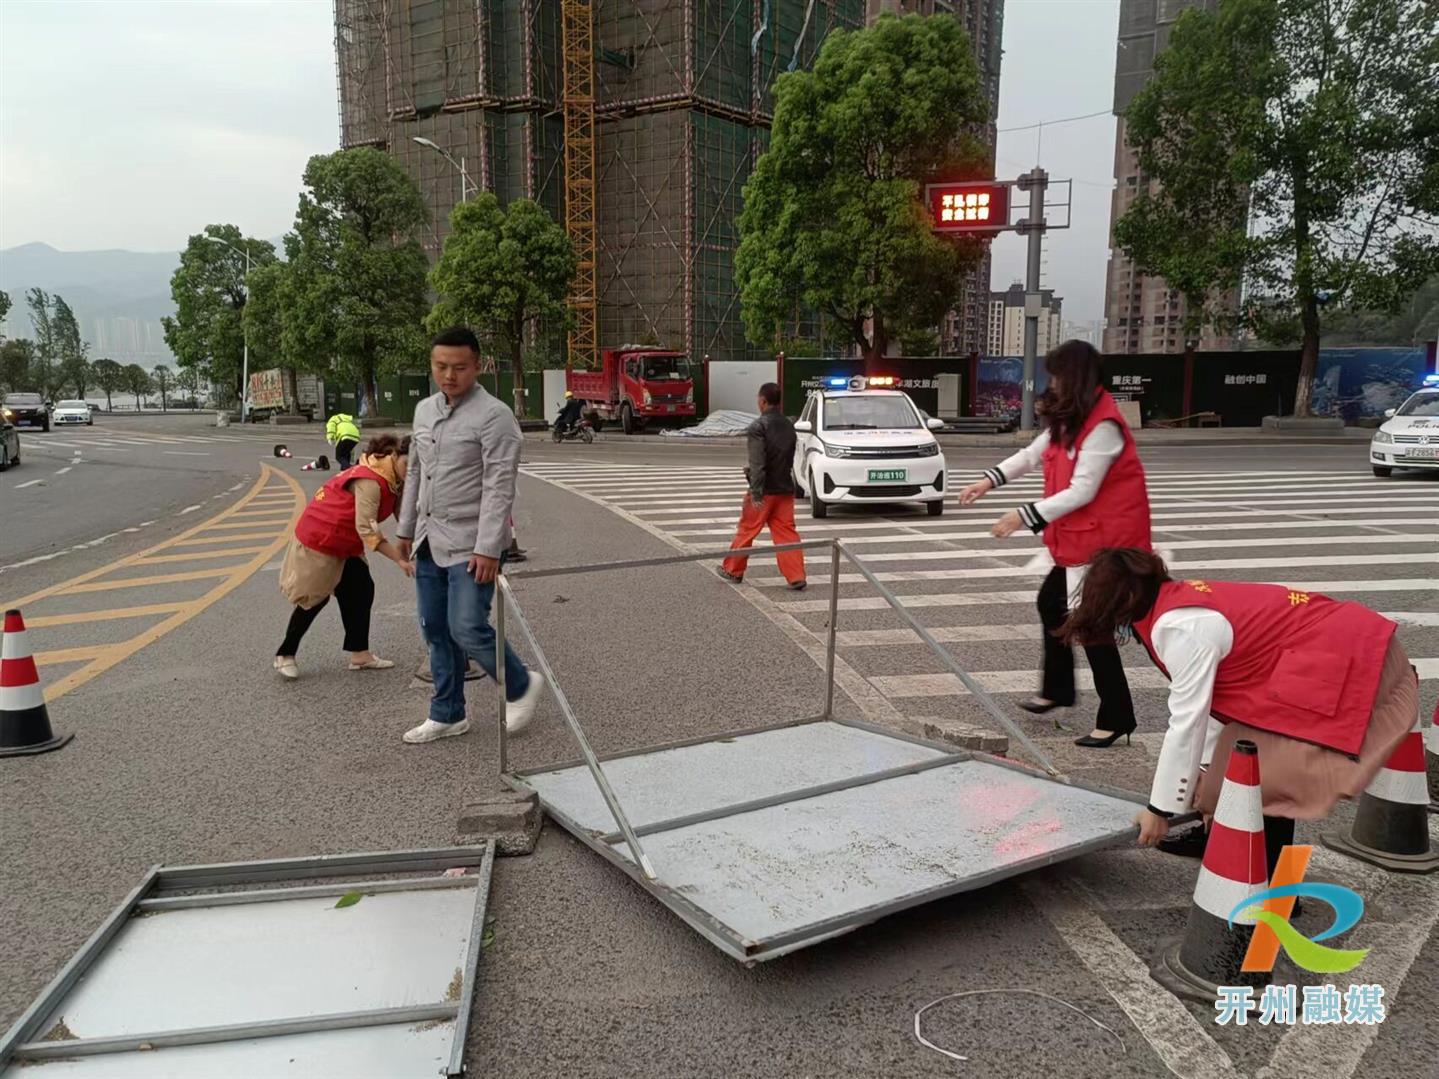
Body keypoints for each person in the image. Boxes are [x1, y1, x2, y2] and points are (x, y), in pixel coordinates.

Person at [1059, 547, 1419, 876]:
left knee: (1268, 774)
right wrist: (1204, 776)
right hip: (1327, 644)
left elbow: (1187, 720)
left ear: (1127, 598)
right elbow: (1216, 702)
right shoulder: (1171, 602)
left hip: (1350, 655)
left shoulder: (1180, 627)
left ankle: (1274, 891)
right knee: (1235, 763)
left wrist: (1159, 811)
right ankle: (1218, 840)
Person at [959, 341, 1152, 749]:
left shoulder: (1104, 427)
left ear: (1077, 378)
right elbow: (1032, 455)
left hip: (1108, 544)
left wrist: (1022, 516)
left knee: (1094, 627)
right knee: (1053, 605)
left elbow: (1083, 490)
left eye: (1059, 375)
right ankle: (1059, 689)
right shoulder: (1071, 419)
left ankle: (1117, 715)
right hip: (1082, 540)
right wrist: (987, 481)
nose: (1054, 383)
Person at [396, 326, 545, 745]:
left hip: (471, 542)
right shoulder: (424, 411)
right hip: (428, 539)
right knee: (434, 629)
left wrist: (488, 547)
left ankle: (519, 685)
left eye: (459, 367)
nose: (449, 375)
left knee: (466, 626)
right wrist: (406, 528)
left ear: (477, 366)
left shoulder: (495, 416)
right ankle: (447, 713)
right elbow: (415, 472)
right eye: (441, 366)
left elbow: (500, 485)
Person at [274, 434, 414, 679]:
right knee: (314, 598)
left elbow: (402, 513)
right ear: (395, 456)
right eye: (407, 466)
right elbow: (367, 529)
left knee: (361, 589)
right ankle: (285, 653)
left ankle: (360, 654)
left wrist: (415, 541)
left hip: (345, 540)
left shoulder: (393, 477)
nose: (409, 473)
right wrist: (400, 560)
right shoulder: (371, 479)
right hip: (322, 535)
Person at [717, 382, 806, 590]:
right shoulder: (788, 424)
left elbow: (758, 462)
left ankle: (733, 569)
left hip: (764, 490)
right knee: (786, 533)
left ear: (763, 401)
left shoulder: (758, 426)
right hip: (784, 488)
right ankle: (796, 576)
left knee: (747, 529)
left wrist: (755, 491)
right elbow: (787, 457)